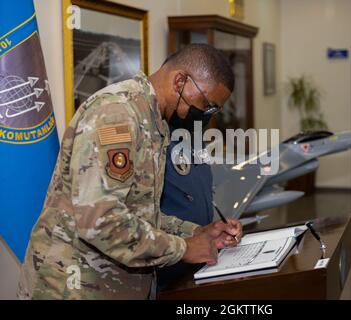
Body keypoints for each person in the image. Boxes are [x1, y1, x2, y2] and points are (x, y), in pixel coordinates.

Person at [18, 44, 242, 299]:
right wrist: (184, 248)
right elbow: (101, 220)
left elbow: (141, 213)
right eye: (207, 104)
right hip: (73, 287)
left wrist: (196, 232)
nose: (206, 115)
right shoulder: (116, 114)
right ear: (180, 81)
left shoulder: (155, 122)